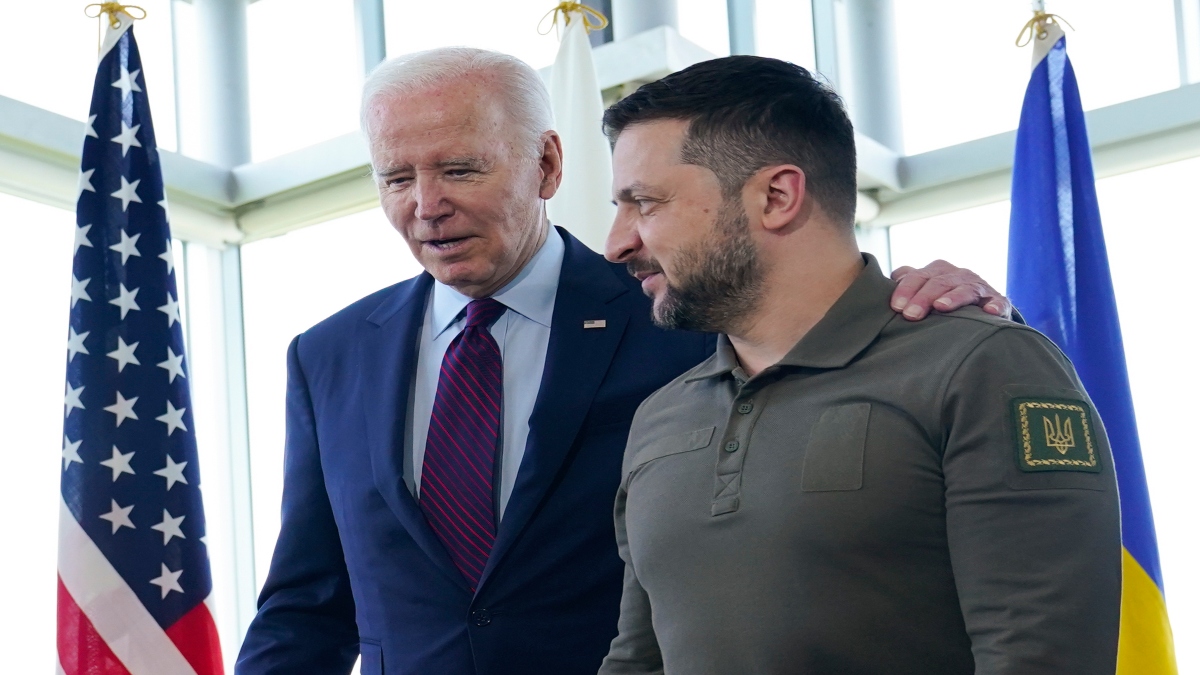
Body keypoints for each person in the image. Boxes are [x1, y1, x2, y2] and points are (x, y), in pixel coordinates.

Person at [235, 48, 1014, 675]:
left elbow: (819, 316)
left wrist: (943, 303)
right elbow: (309, 602)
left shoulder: (680, 308)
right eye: (397, 178)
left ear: (545, 165)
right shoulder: (329, 354)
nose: (425, 204)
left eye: (460, 169)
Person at [597, 55, 1122, 675]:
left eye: (645, 203)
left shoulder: (982, 368)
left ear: (776, 196)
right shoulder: (660, 415)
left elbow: (1042, 658)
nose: (616, 242)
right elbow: (638, 659)